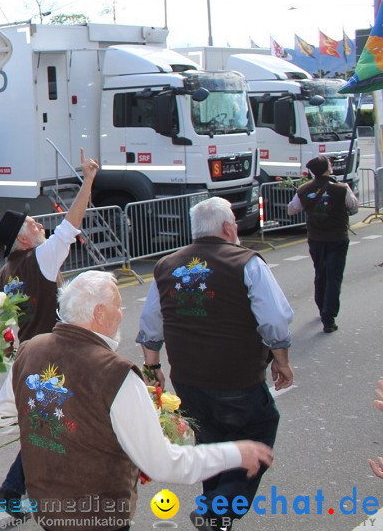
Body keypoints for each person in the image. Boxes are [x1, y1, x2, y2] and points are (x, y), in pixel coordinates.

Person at [13, 271, 274, 531]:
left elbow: (4, 416)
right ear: (100, 313)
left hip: (48, 511)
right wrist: (234, 453)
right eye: (118, 305)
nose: (122, 313)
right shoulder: (115, 374)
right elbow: (163, 463)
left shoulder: (30, 349)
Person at [138, 196, 294, 530]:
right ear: (228, 227)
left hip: (188, 379)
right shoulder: (246, 262)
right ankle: (216, 510)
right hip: (237, 377)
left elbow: (151, 324)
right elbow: (275, 320)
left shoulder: (166, 265)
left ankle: (215, 518)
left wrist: (153, 369)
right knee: (258, 432)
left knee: (211, 443)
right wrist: (281, 360)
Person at [0, 149, 99, 512]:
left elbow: (3, 324)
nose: (39, 225)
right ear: (22, 239)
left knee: (49, 423)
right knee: (58, 423)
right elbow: (71, 226)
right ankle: (26, 488)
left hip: (29, 354)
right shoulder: (40, 258)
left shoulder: (5, 273)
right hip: (54, 353)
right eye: (33, 224)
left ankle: (16, 488)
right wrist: (87, 181)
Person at [286, 154, 357, 333]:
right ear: (327, 169)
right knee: (334, 277)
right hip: (337, 238)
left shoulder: (303, 189)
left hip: (316, 238)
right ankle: (328, 316)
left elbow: (291, 210)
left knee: (320, 272)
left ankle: (322, 306)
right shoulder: (341, 188)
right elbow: (354, 206)